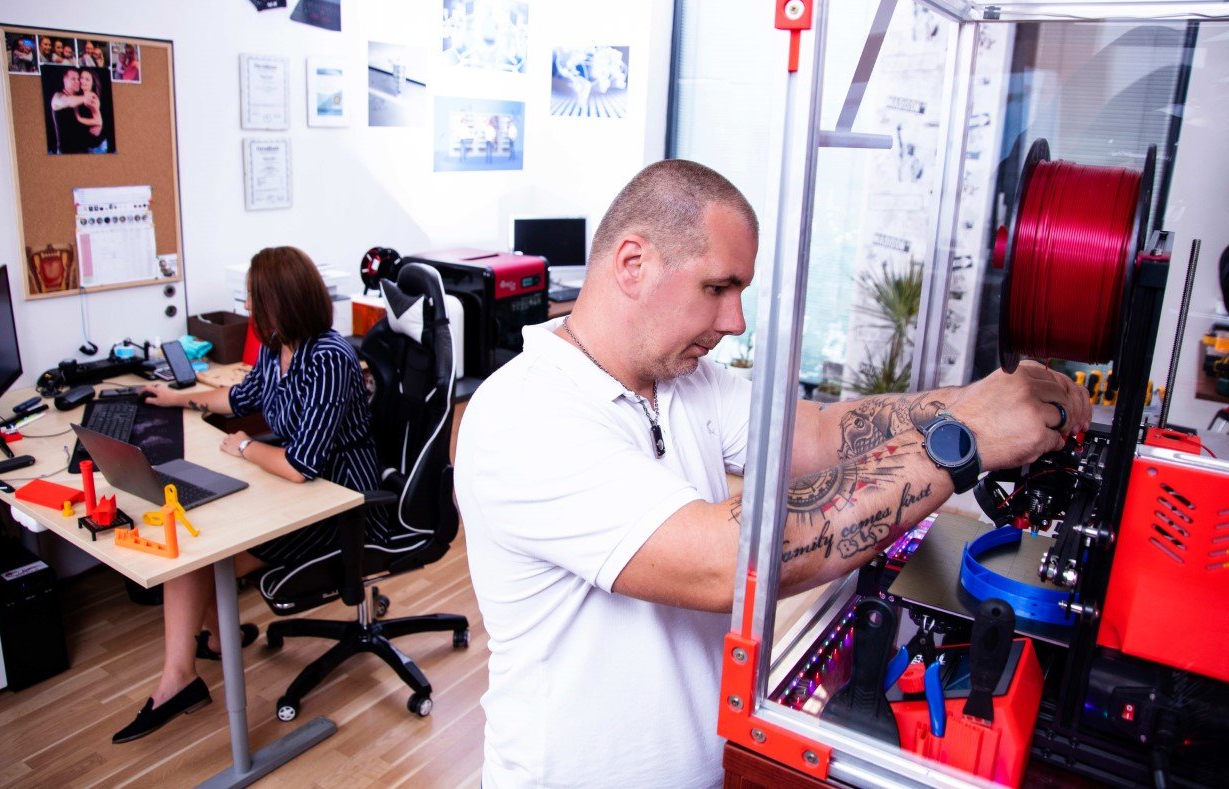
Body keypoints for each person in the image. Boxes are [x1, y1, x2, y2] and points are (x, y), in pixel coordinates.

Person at [454, 159, 1091, 787]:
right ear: (633, 264)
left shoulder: (685, 381)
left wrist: (976, 403)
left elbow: (819, 434)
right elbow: (725, 560)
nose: (736, 321)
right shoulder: (526, 415)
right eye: (717, 288)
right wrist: (962, 443)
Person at [111, 246, 381, 743]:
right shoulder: (280, 348)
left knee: (197, 557)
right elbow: (238, 397)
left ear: (281, 302)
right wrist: (177, 398)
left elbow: (300, 467)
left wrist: (244, 446)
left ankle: (180, 680)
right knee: (197, 541)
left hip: (339, 499)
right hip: (298, 486)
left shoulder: (328, 359)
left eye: (254, 299)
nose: (249, 309)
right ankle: (217, 640)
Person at [49, 67, 87, 153]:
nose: (77, 81)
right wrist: (88, 97)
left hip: (82, 151)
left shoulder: (79, 99)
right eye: (73, 79)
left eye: (78, 79)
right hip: (65, 152)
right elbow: (67, 101)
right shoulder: (57, 96)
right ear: (65, 80)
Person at [76, 69, 107, 153]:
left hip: (96, 147)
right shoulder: (82, 95)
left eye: (87, 79)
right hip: (88, 145)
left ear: (92, 83)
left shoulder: (91, 97)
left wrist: (79, 118)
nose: (82, 81)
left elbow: (98, 121)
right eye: (81, 77)